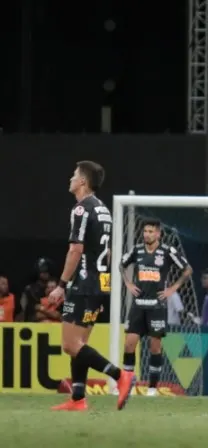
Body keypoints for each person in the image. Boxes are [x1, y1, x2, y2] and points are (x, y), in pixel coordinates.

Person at [49, 160, 135, 411]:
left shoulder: (81, 209)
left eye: (74, 175)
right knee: (81, 344)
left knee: (70, 344)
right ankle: (78, 399)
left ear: (83, 182)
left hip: (84, 284)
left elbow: (75, 249)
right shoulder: (103, 209)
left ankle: (121, 376)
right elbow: (106, 252)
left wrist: (62, 285)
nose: (70, 179)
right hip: (100, 283)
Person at [120, 219, 193, 397]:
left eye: (151, 231)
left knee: (155, 347)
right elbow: (121, 264)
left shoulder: (167, 251)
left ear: (158, 234)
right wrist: (128, 284)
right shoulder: (136, 250)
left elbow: (188, 269)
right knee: (129, 344)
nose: (147, 234)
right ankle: (125, 385)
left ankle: (152, 388)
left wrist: (173, 289)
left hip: (157, 306)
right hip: (138, 305)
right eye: (145, 231)